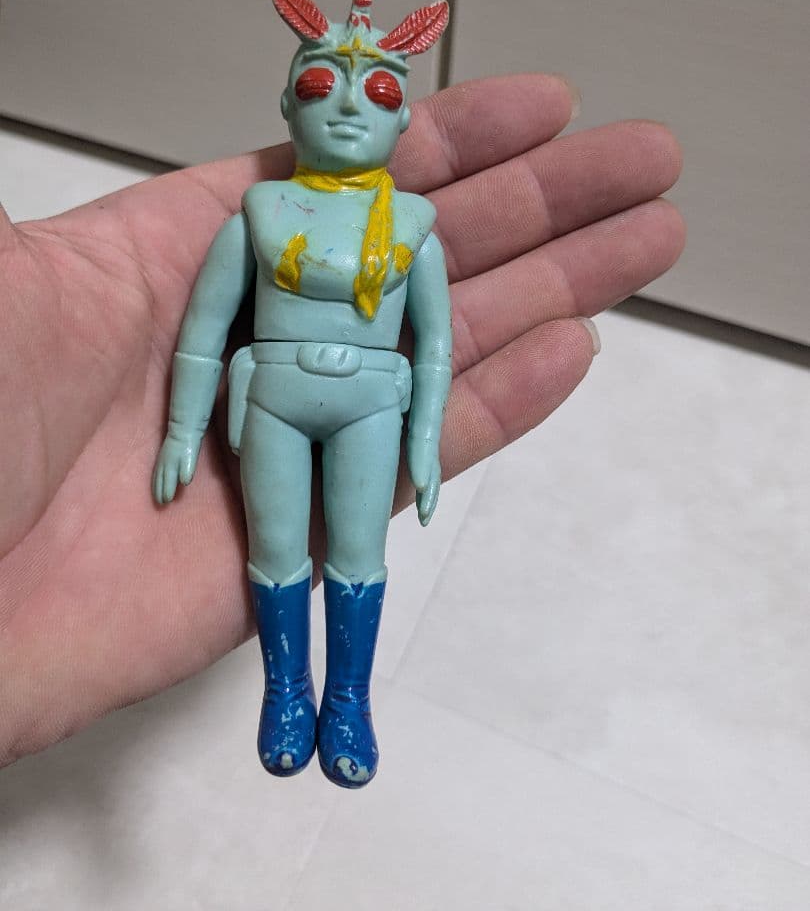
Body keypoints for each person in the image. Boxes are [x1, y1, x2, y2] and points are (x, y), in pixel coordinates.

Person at [0, 62, 684, 771]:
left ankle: (349, 700)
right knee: (275, 549)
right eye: (321, 86)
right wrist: (181, 429)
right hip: (273, 396)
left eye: (381, 92)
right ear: (287, 105)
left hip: (371, 403)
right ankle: (287, 692)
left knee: (359, 554)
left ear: (404, 120)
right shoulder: (259, 218)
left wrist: (425, 437)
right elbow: (203, 330)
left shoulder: (412, 229)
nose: (351, 107)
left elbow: (436, 343)